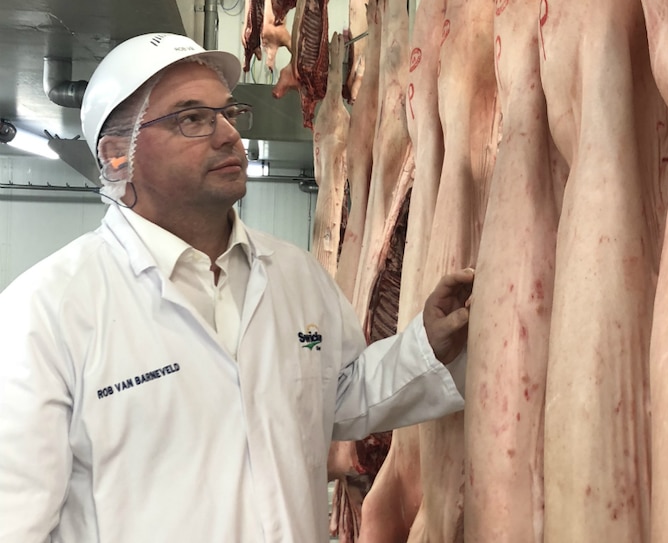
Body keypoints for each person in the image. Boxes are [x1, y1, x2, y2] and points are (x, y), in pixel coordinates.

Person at [0, 32, 473, 543]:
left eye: (228, 113)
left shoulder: (294, 274)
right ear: (117, 156)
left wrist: (427, 346)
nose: (227, 134)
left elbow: (340, 395)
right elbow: (17, 517)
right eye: (192, 118)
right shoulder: (47, 310)